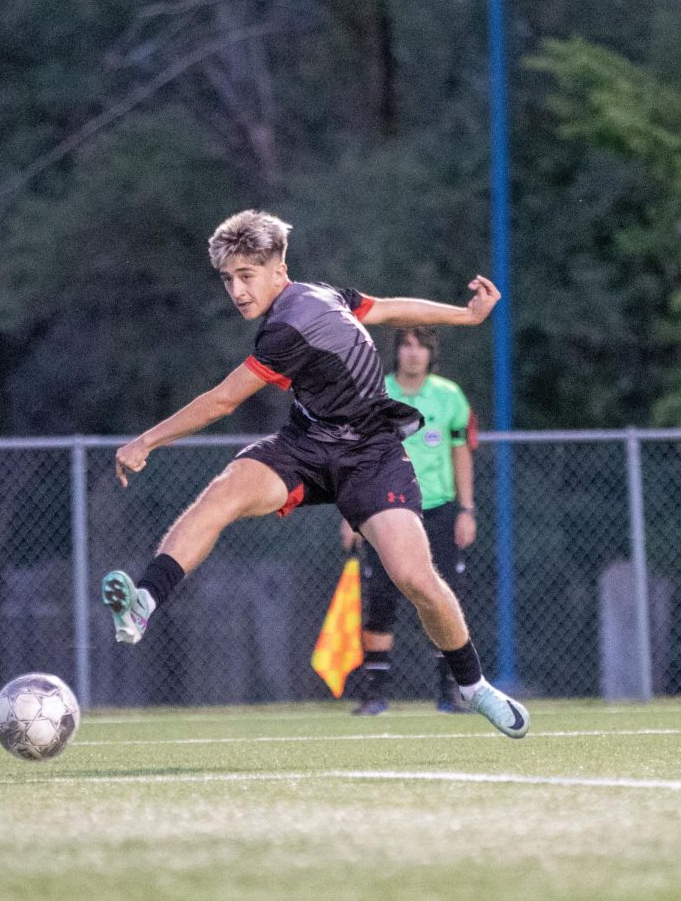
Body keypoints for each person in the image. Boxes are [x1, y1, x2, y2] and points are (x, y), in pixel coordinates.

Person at [101, 209, 529, 739]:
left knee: (416, 579)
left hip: (372, 455)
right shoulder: (321, 295)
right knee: (222, 495)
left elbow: (224, 400)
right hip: (307, 444)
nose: (236, 289)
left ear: (279, 271)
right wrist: (463, 316)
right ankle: (142, 603)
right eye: (228, 278)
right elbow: (387, 308)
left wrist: (146, 441)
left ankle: (473, 686)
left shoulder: (289, 327)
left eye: (246, 275)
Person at [340, 326, 478, 715]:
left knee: (442, 597)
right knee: (381, 599)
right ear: (396, 352)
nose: (414, 354)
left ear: (431, 355)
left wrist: (466, 509)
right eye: (407, 346)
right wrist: (351, 514)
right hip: (386, 510)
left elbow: (461, 452)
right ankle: (373, 695)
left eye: (422, 347)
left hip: (438, 510)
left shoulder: (449, 396)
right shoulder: (376, 393)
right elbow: (356, 456)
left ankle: (452, 693)